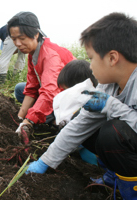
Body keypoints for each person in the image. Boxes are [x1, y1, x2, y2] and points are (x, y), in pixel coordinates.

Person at [25, 12, 137, 200]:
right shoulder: (107, 85)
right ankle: (115, 177)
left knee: (113, 133)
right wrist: (45, 161)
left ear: (112, 58)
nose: (90, 66)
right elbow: (80, 125)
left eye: (91, 58)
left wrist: (111, 106)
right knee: (82, 123)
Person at [9, 12, 75, 137]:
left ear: (36, 34)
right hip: (56, 93)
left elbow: (50, 92)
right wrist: (19, 117)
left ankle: (54, 121)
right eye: (14, 39)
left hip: (70, 98)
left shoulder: (50, 55)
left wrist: (28, 121)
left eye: (22, 38)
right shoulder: (33, 52)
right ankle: (47, 116)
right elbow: (32, 86)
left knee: (52, 111)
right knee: (20, 89)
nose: (17, 43)